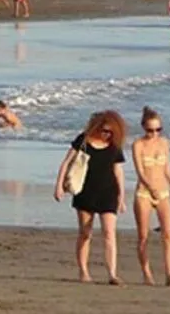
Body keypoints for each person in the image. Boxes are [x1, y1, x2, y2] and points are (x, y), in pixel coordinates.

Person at [53, 110, 127, 285]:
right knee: (85, 232)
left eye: (110, 131)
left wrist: (121, 197)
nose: (107, 134)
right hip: (85, 191)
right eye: (104, 130)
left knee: (109, 233)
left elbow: (118, 172)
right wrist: (59, 186)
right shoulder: (84, 140)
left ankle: (112, 274)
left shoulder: (114, 146)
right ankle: (83, 271)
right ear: (97, 127)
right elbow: (66, 163)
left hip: (108, 192)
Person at [131, 107, 170, 286]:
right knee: (143, 235)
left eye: (158, 130)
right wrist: (149, 187)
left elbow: (167, 168)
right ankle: (147, 273)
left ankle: (169, 273)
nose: (154, 134)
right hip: (144, 192)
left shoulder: (164, 143)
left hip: (162, 192)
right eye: (150, 130)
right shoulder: (138, 145)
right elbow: (139, 171)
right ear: (143, 128)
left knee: (168, 233)